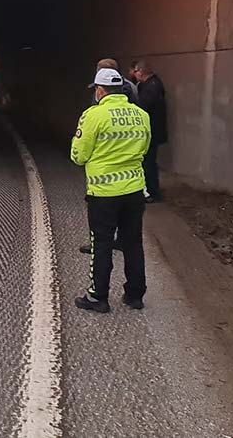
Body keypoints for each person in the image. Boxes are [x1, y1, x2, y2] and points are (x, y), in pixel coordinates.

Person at [71, 68, 151, 313]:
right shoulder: (141, 115)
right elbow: (144, 148)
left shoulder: (93, 115)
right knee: (133, 242)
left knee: (102, 243)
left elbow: (78, 155)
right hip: (135, 189)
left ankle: (98, 297)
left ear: (100, 90)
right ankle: (135, 295)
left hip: (104, 193)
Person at [79, 58, 137, 254]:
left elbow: (89, 132)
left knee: (100, 212)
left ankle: (97, 243)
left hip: (104, 168)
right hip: (130, 165)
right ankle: (122, 240)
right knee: (126, 210)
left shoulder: (100, 98)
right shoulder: (131, 90)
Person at [131, 59, 168, 203]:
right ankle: (150, 191)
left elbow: (142, 106)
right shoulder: (150, 84)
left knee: (149, 163)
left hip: (152, 131)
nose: (134, 74)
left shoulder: (152, 87)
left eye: (135, 71)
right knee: (148, 162)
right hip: (152, 130)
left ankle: (153, 193)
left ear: (140, 72)